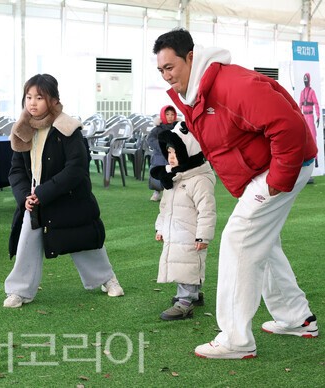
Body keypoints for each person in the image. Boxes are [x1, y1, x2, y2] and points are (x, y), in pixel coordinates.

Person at [153, 28, 318, 359]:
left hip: (285, 165)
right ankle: (297, 317)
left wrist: (278, 179)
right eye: (160, 70)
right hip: (266, 169)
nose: (166, 76)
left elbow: (288, 124)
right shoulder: (194, 93)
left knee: (238, 240)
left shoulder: (232, 85)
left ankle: (235, 338)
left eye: (170, 67)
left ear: (190, 57)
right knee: (262, 243)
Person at [3, 74, 124, 308]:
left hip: (69, 199)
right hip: (35, 201)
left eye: (39, 97)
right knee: (26, 244)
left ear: (54, 100)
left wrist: (44, 192)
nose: (32, 103)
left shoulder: (68, 128)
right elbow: (16, 171)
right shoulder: (23, 129)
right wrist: (24, 198)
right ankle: (18, 291)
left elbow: (76, 168)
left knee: (85, 242)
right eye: (29, 97)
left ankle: (108, 279)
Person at [150, 122, 216, 320]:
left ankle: (184, 303)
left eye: (176, 152)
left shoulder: (199, 180)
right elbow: (165, 207)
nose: (171, 157)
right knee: (183, 265)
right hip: (175, 232)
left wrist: (203, 236)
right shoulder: (175, 177)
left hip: (191, 235)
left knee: (188, 265)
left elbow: (207, 211)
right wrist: (160, 227)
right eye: (169, 152)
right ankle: (192, 295)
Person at [147, 105, 179, 201]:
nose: (170, 116)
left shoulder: (177, 128)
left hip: (173, 157)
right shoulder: (157, 129)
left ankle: (170, 194)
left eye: (172, 114)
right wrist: (161, 146)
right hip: (159, 157)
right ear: (163, 115)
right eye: (167, 114)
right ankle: (156, 192)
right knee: (158, 175)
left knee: (173, 175)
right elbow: (150, 139)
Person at [299, 72, 320, 171]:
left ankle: (316, 159)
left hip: (310, 117)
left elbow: (316, 103)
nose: (305, 81)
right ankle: (305, 159)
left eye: (306, 79)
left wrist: (318, 116)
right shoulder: (302, 92)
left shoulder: (312, 92)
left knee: (313, 137)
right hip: (304, 117)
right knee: (304, 138)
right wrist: (299, 116)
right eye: (304, 80)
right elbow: (299, 105)